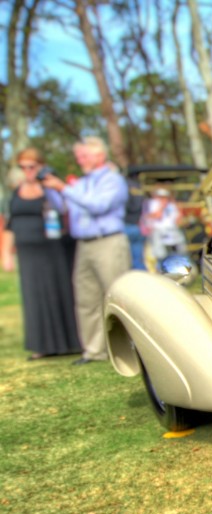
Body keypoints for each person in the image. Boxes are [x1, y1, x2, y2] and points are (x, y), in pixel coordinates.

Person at [40, 136, 131, 365]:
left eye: (84, 155)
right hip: (84, 244)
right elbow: (63, 205)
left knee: (116, 295)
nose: (80, 160)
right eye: (78, 156)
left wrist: (63, 187)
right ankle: (93, 350)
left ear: (100, 155)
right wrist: (50, 187)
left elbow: (98, 206)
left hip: (108, 242)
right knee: (86, 299)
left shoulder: (113, 180)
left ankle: (130, 347)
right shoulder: (80, 184)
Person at [2, 148, 81, 360]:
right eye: (22, 167)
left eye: (31, 166)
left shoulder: (50, 188)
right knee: (33, 297)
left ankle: (70, 342)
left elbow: (64, 209)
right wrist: (6, 253)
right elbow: (11, 223)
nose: (27, 171)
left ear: (39, 166)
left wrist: (49, 185)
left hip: (52, 249)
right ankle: (42, 345)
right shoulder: (16, 192)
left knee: (59, 292)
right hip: (28, 253)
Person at [141, 187, 186, 271]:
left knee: (177, 253)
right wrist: (162, 207)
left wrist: (178, 209)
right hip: (158, 232)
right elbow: (155, 215)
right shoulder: (152, 204)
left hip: (172, 232)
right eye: (161, 196)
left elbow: (178, 220)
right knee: (160, 255)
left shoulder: (172, 205)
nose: (163, 198)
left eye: (165, 197)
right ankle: (161, 271)